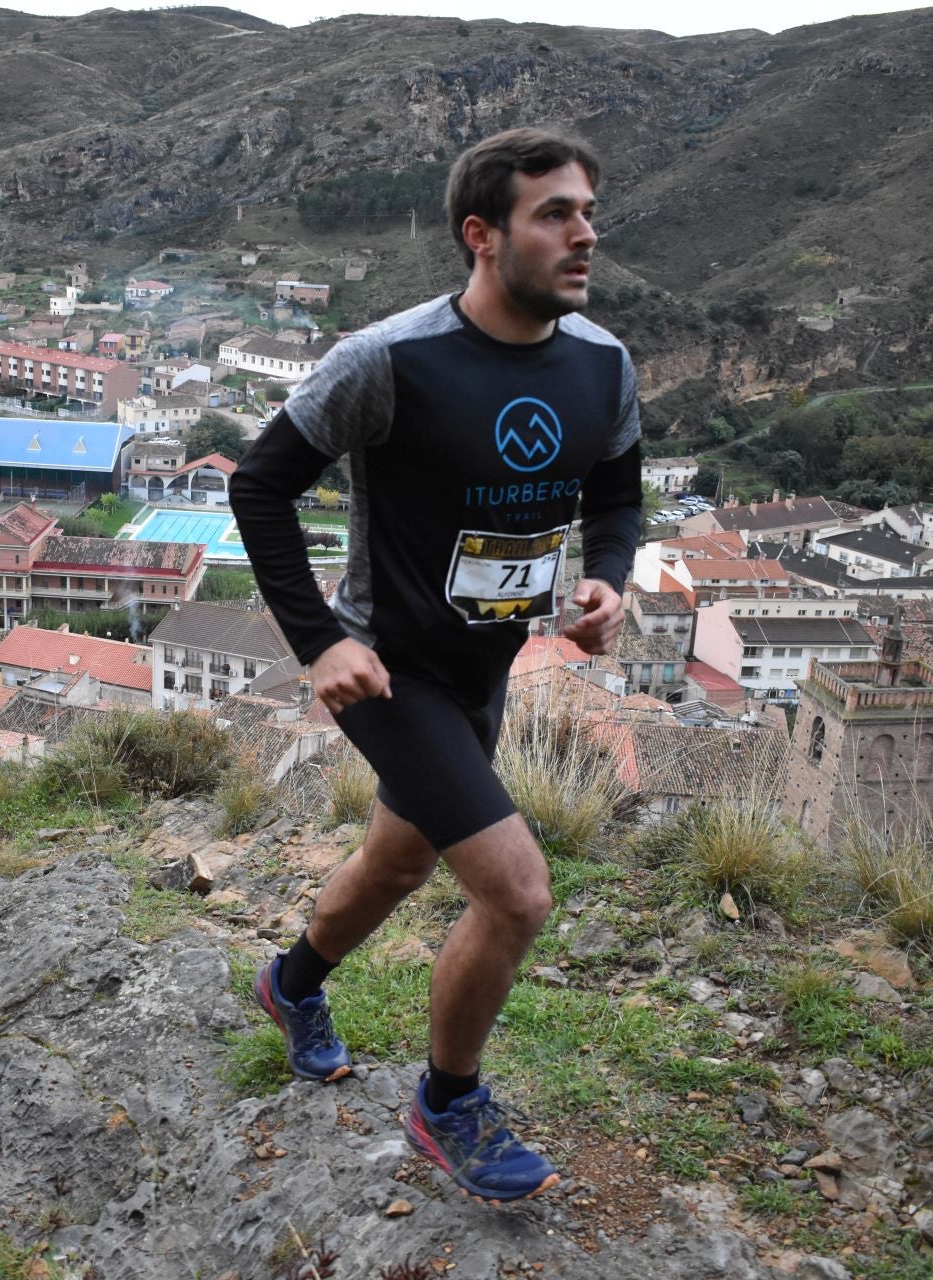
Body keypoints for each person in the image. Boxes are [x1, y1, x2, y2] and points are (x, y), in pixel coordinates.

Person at [228, 128, 643, 1203]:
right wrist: (321, 639)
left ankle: (291, 984)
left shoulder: (602, 362)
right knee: (516, 892)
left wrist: (608, 576)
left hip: (484, 665)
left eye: (588, 210)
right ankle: (447, 1102)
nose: (583, 231)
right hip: (390, 670)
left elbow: (618, 490)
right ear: (480, 234)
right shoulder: (389, 360)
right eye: (554, 212)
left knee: (401, 862)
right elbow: (259, 487)